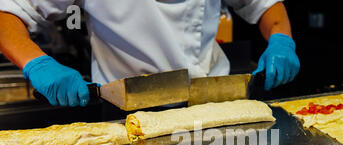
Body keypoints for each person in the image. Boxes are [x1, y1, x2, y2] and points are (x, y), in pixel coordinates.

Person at [0, 0, 300, 107]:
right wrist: (38, 64)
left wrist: (281, 39)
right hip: (126, 117)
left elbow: (265, 6)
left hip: (215, 108)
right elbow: (8, 14)